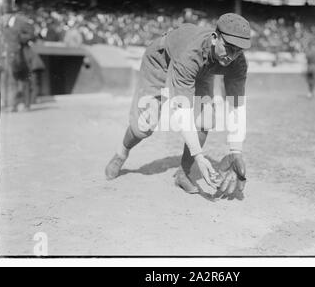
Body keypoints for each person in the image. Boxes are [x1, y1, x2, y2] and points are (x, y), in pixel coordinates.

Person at [105, 13, 250, 194]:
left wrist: (236, 150)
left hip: (202, 69)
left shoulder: (237, 61)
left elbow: (237, 106)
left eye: (238, 51)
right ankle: (121, 152)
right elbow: (183, 112)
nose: (231, 56)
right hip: (161, 58)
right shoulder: (190, 55)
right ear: (215, 38)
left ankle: (183, 173)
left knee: (205, 121)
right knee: (143, 126)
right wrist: (199, 155)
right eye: (228, 48)